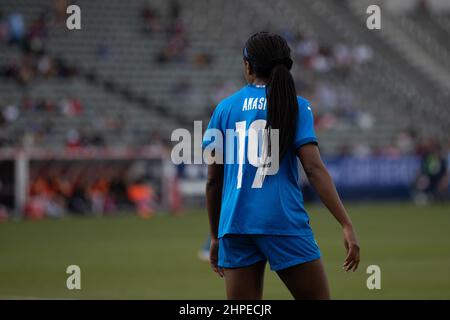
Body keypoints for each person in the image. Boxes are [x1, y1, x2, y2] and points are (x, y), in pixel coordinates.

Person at [203, 32, 360, 300]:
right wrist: (345, 223)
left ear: (248, 66)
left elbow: (213, 181)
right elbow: (313, 168)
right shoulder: (296, 105)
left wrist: (216, 236)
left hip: (235, 225)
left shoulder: (224, 109)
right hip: (281, 221)